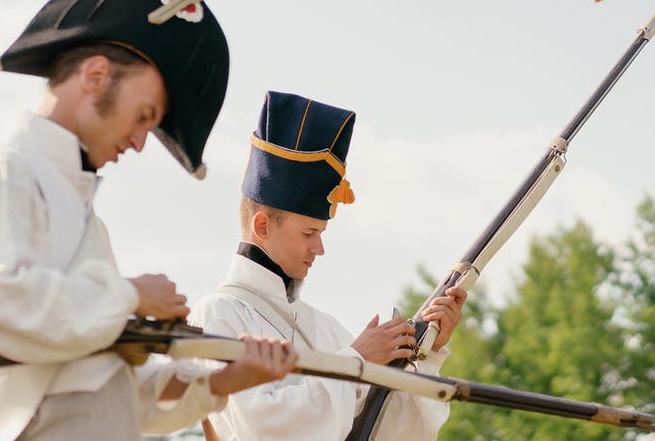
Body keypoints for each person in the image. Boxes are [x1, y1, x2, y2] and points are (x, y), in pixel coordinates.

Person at [0, 0, 298, 441]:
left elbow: (106, 392)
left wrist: (224, 381)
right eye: (143, 117)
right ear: (95, 75)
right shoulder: (6, 170)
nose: (137, 142)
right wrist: (131, 295)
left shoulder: (85, 219)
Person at [191, 91, 468, 440]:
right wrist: (355, 363)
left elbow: (394, 432)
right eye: (309, 233)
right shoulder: (217, 315)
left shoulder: (326, 328)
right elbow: (263, 429)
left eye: (321, 233)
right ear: (262, 226)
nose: (319, 248)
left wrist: (426, 351)